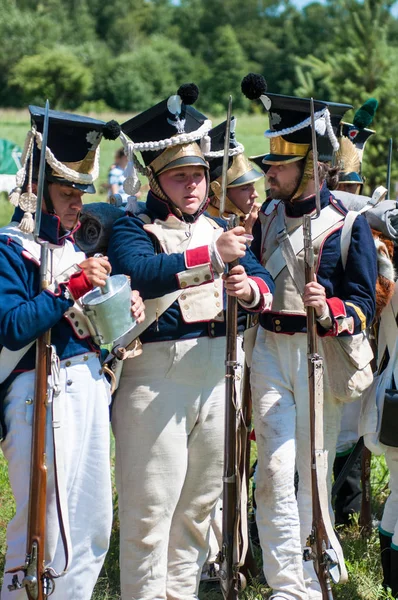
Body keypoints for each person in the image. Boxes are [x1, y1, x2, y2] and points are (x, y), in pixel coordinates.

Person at [107, 82, 275, 600]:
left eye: (199, 176)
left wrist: (249, 289)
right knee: (149, 511)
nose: (194, 187)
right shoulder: (132, 226)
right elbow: (141, 272)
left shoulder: (220, 228)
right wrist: (212, 260)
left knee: (198, 509)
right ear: (156, 181)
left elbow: (261, 282)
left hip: (217, 372)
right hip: (155, 376)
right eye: (180, 177)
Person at [0, 106, 145, 600]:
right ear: (38, 189)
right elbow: (13, 327)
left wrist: (122, 312)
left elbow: (95, 332)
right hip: (36, 390)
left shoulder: (75, 251)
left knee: (92, 520)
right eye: (66, 192)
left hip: (85, 387)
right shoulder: (10, 248)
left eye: (81, 192)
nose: (76, 205)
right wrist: (67, 290)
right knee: (45, 518)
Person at [242, 73, 377, 600]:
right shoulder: (266, 217)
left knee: (312, 469)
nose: (270, 174)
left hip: (318, 353)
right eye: (271, 166)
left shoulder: (347, 225)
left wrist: (335, 307)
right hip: (269, 352)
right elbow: (255, 270)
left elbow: (364, 302)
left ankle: (308, 567)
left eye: (279, 166)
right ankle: (286, 585)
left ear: (312, 170)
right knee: (273, 471)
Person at [205, 116, 263, 234]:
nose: (255, 194)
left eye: (252, 185)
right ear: (218, 191)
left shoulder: (252, 221)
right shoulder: (205, 229)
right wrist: (248, 236)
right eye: (245, 188)